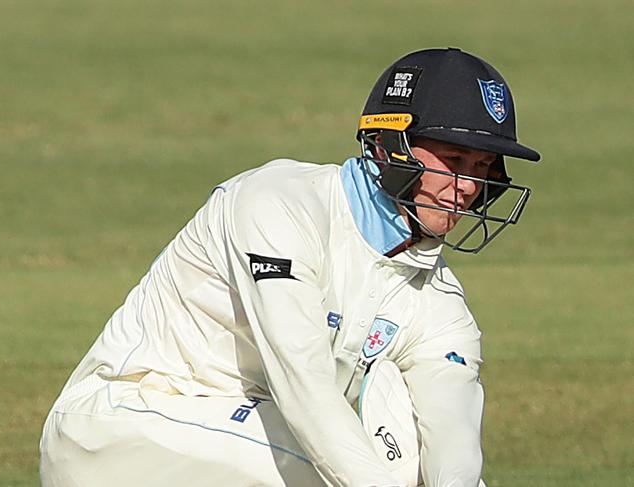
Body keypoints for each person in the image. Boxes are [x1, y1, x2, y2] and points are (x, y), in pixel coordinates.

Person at [40, 47, 540, 487]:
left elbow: (452, 432)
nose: (469, 187)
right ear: (390, 145)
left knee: (413, 452)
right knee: (374, 469)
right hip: (125, 427)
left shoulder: (440, 301)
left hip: (251, 440)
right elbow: (305, 390)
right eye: (453, 159)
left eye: (482, 168)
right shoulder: (278, 205)